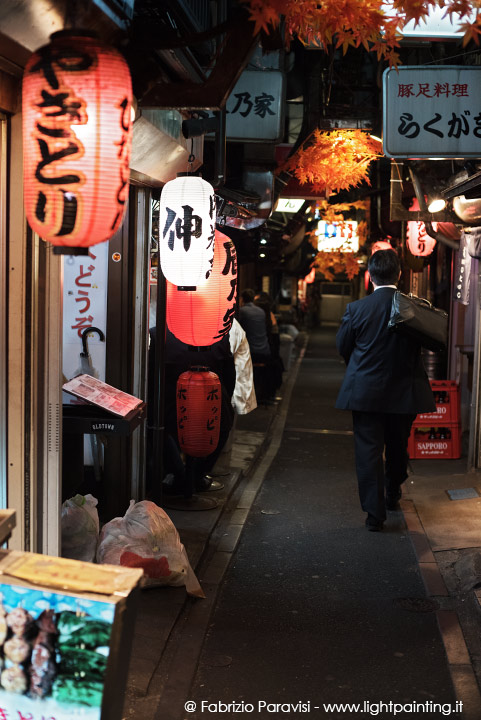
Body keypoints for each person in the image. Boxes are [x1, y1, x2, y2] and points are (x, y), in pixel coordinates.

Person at [335, 249, 435, 532]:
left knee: (368, 452)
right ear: (400, 275)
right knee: (398, 445)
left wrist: (360, 367)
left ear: (370, 275)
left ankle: (374, 515)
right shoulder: (413, 308)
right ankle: (393, 491)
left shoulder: (357, 309)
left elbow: (344, 347)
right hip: (405, 391)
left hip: (366, 392)